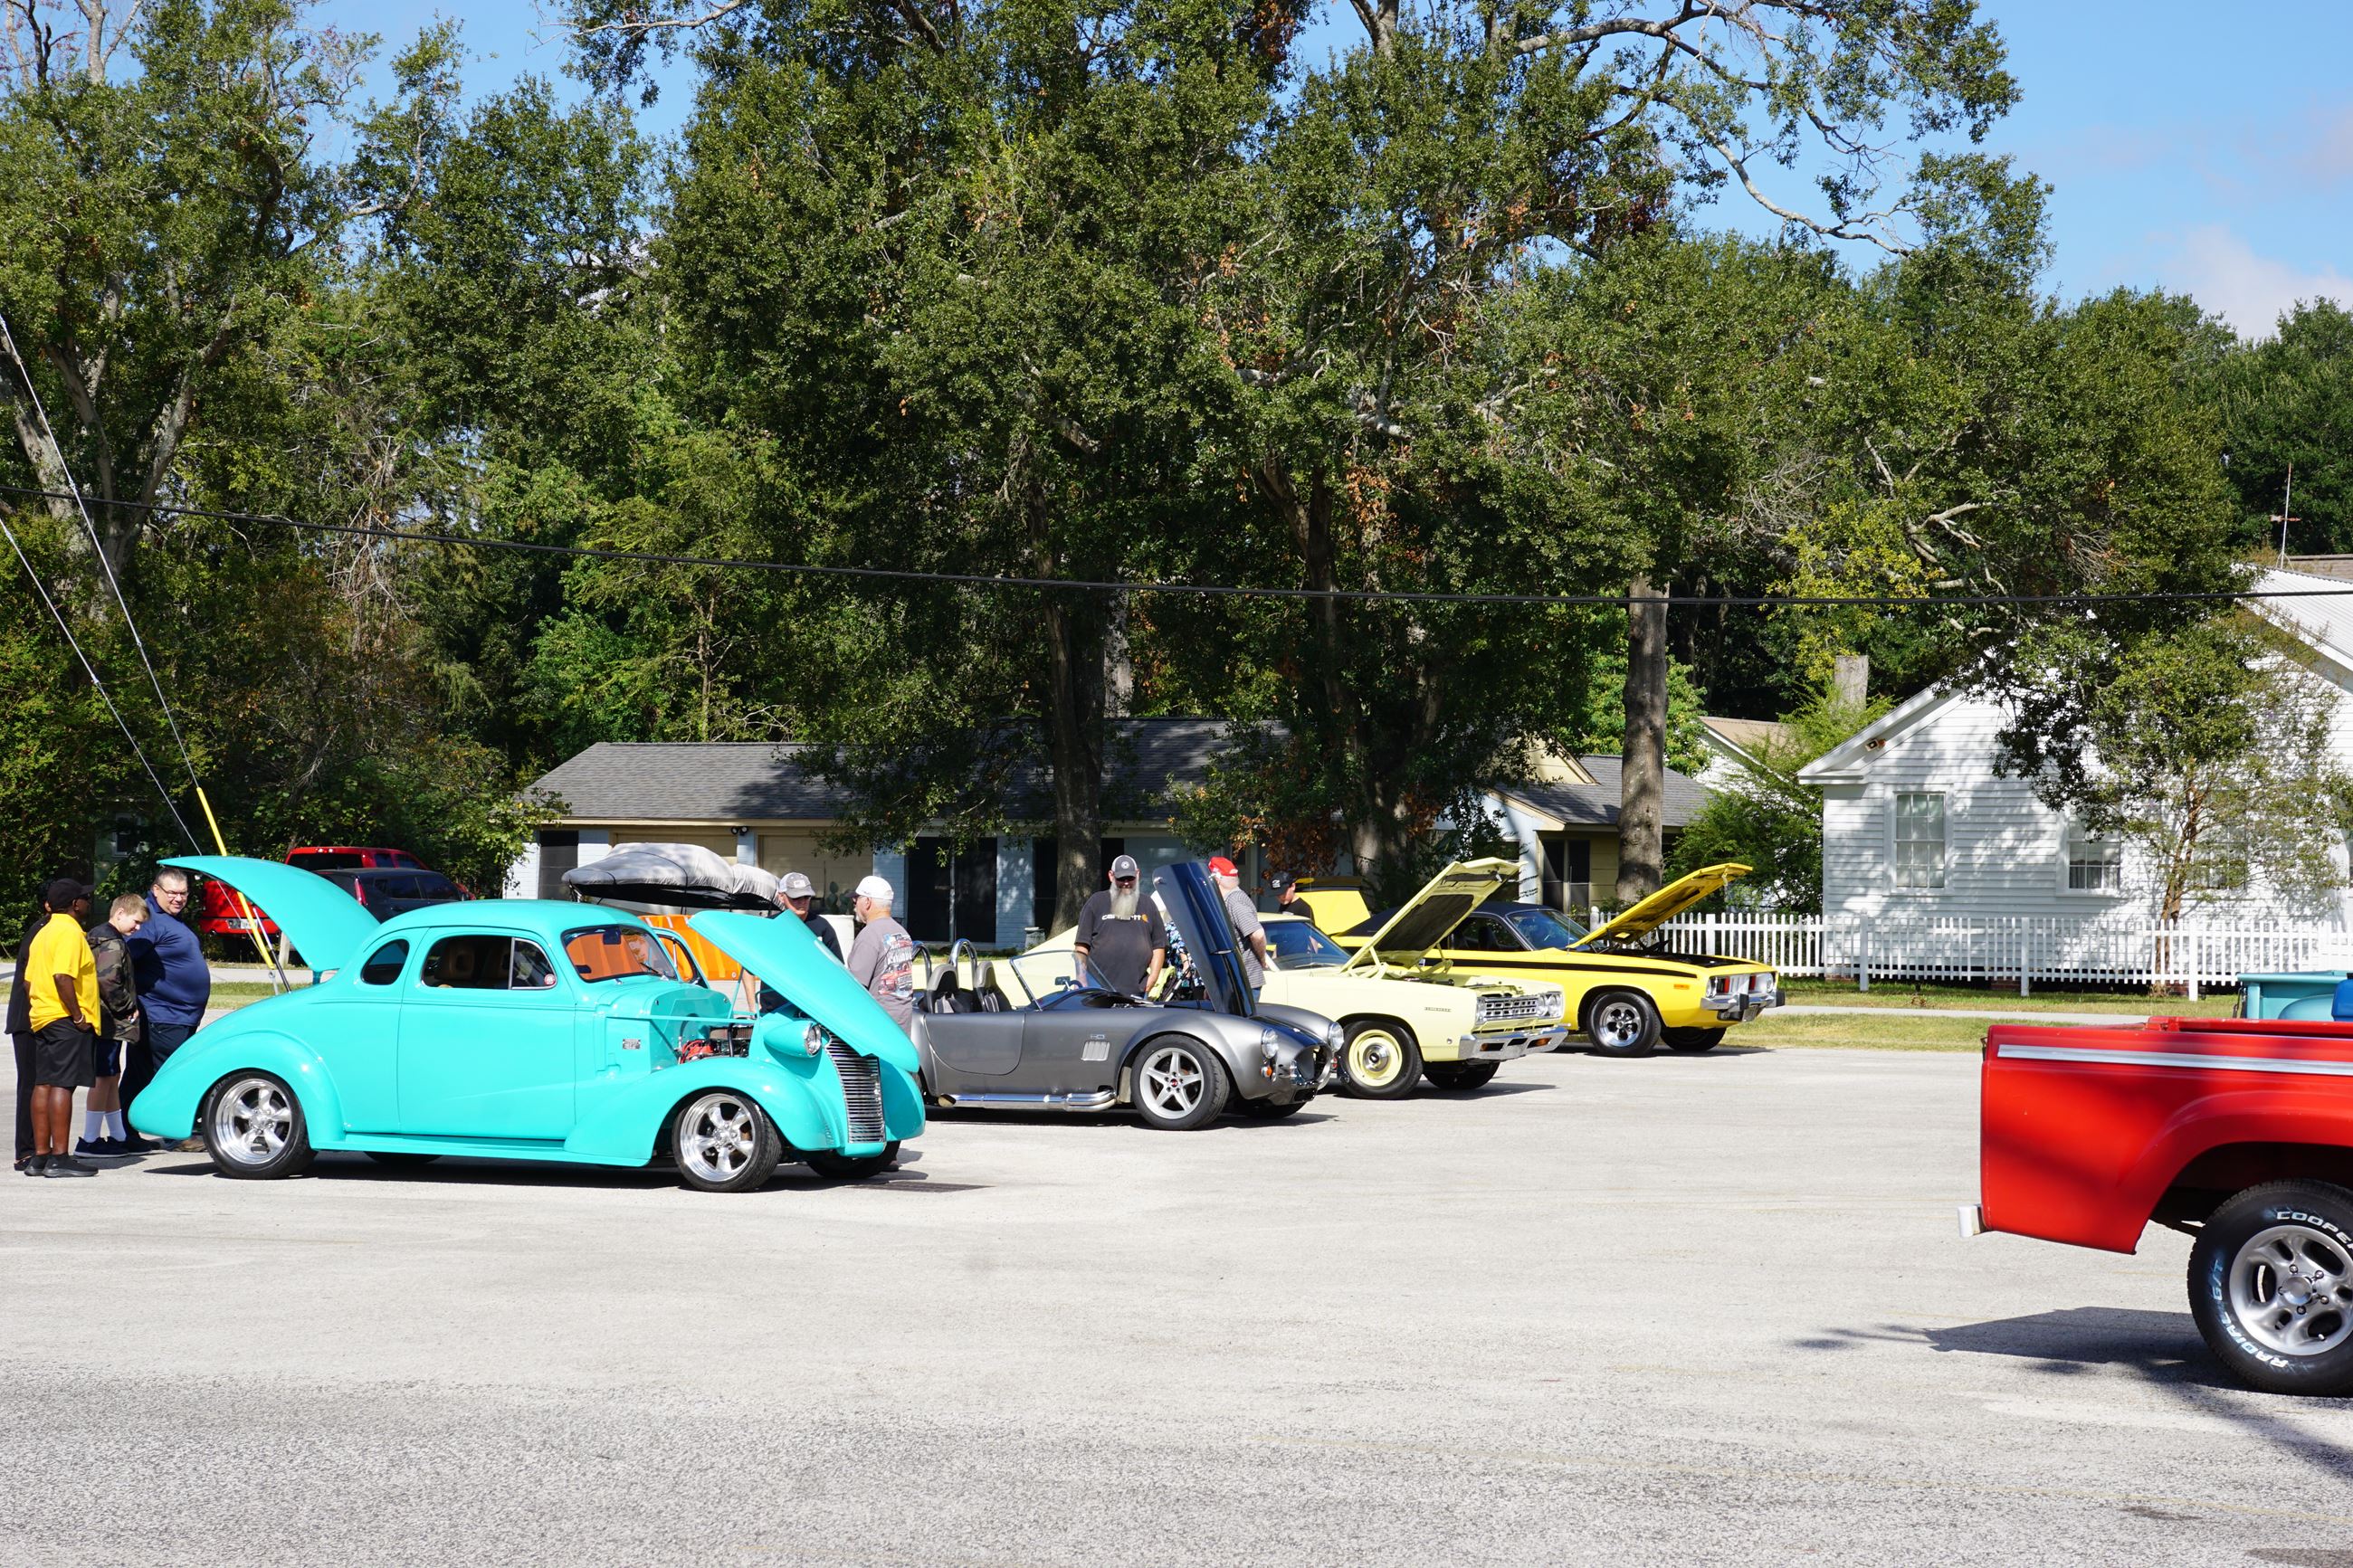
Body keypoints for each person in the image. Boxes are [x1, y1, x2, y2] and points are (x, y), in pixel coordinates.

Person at [123, 866, 209, 1150]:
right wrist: (130, 1002)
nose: (178, 898)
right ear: (155, 890)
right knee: (171, 1074)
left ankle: (125, 1132)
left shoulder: (171, 919)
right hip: (162, 1014)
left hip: (178, 1015)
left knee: (140, 1074)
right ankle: (177, 1135)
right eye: (172, 892)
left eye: (183, 893)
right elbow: (125, 961)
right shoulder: (148, 921)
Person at [24, 878, 100, 1177]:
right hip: (65, 1019)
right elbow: (62, 977)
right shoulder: (69, 933)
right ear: (74, 905)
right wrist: (78, 1016)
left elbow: (29, 980)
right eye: (85, 899)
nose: (88, 903)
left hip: (42, 1016)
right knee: (62, 1085)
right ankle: (59, 1157)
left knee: (42, 1083)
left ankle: (39, 1157)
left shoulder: (42, 933)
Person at [79, 894, 150, 1156]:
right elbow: (107, 981)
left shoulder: (100, 937)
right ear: (120, 913)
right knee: (102, 1077)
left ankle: (118, 1135)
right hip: (107, 1019)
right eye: (136, 921)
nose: (138, 928)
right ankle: (89, 1140)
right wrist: (127, 1006)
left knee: (111, 1076)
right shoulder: (112, 944)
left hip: (105, 1019)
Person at [1073, 854, 1166, 997]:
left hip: (1137, 992)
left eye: (1130, 878)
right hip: (1098, 991)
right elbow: (1081, 947)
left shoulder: (1148, 904)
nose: (1126, 883)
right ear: (1111, 876)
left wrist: (1153, 978)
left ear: (1138, 874)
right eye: (1121, 879)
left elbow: (1159, 946)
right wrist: (1081, 978)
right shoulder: (1096, 902)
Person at [846, 874, 916, 1032]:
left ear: (868, 902)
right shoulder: (901, 932)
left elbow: (855, 987)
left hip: (877, 1026)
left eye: (856, 900)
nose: (854, 905)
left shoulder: (869, 935)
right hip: (902, 1021)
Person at [1208, 855, 1270, 993]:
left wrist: (1262, 960)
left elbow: (1258, 934)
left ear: (1216, 879)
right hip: (1233, 981)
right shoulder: (1227, 900)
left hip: (1243, 983)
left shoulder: (1235, 901)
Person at [778, 872, 843, 963]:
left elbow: (837, 966)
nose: (802, 902)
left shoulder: (822, 927)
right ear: (781, 897)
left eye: (806, 897)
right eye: (796, 897)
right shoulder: (769, 925)